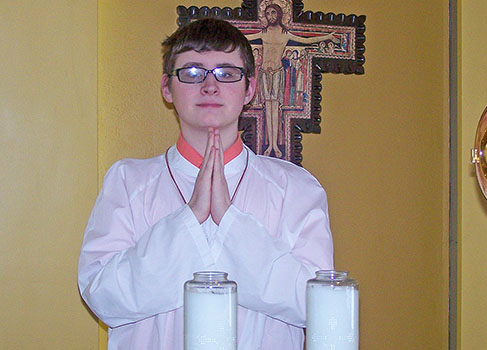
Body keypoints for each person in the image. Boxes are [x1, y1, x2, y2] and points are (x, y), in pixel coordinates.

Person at [78, 18, 334, 350]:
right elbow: (103, 297)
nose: (210, 86)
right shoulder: (128, 183)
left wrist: (231, 221)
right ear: (167, 89)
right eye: (192, 72)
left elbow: (316, 305)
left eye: (227, 73)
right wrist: (190, 218)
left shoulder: (297, 189)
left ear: (250, 90)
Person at [245, 2, 338, 157]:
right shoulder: (264, 33)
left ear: (280, 15)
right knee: (268, 108)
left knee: (275, 108)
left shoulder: (285, 34)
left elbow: (306, 40)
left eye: (274, 13)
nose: (271, 17)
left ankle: (275, 146)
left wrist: (327, 37)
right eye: (268, 14)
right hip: (264, 73)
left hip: (277, 73)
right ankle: (270, 146)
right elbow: (245, 37)